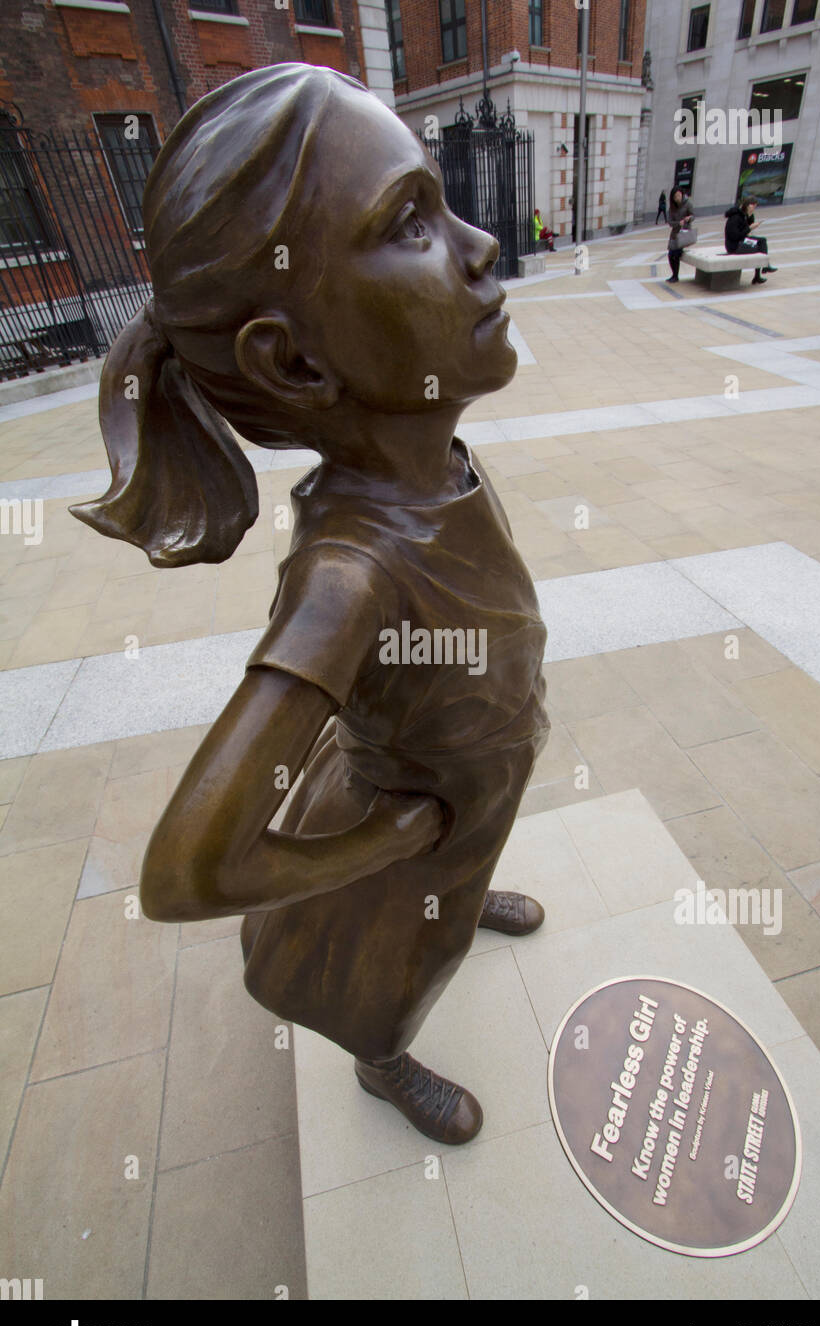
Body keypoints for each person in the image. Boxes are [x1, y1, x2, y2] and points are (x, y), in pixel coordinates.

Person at [70, 64, 550, 1147]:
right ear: (290, 359)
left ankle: (464, 887)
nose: (479, 247)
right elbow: (188, 865)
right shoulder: (350, 575)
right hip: (412, 817)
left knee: (461, 874)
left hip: (472, 781)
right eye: (410, 223)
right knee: (401, 967)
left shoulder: (433, 458)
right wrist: (381, 841)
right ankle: (383, 1058)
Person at [723, 196, 778, 284]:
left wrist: (750, 217)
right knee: (760, 247)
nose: (754, 209)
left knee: (762, 241)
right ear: (748, 206)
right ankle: (762, 269)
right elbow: (735, 236)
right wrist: (749, 228)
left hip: (741, 241)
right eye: (753, 206)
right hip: (734, 246)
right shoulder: (735, 217)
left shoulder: (744, 215)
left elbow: (745, 230)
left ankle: (760, 272)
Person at [666, 186, 694, 282]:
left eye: (678, 195)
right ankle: (674, 274)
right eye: (675, 197)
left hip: (684, 233)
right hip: (675, 233)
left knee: (676, 254)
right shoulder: (672, 207)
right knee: (670, 255)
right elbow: (670, 222)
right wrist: (678, 223)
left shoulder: (688, 203)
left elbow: (693, 215)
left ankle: (675, 275)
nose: (677, 198)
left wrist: (688, 218)